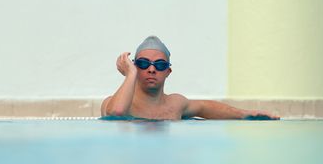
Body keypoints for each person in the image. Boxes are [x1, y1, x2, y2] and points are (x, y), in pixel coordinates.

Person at [101, 36, 280, 120]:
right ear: (134, 67)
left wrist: (245, 114)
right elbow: (117, 113)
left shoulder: (175, 104)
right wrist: (130, 74)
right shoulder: (111, 103)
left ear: (168, 72)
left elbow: (204, 107)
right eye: (143, 64)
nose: (152, 69)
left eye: (160, 65)